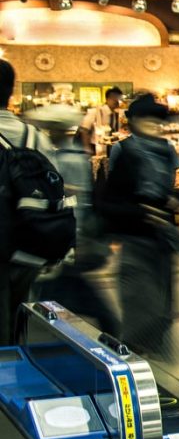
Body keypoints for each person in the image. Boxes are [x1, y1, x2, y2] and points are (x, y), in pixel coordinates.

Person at [97, 95, 179, 359]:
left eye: (159, 121)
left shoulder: (166, 149)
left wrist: (174, 200)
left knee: (162, 304)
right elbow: (111, 198)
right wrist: (141, 212)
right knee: (139, 303)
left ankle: (151, 354)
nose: (156, 126)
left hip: (162, 239)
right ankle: (132, 358)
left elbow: (172, 185)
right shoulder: (126, 151)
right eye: (149, 120)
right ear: (134, 122)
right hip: (136, 238)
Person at [25, 103, 119, 339]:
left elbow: (77, 201)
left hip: (68, 237)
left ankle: (111, 330)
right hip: (67, 236)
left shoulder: (67, 158)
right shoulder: (68, 154)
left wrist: (74, 237)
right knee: (65, 289)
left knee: (71, 290)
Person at [0, 61, 66, 328]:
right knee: (20, 318)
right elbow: (55, 188)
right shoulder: (35, 136)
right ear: (11, 92)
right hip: (28, 245)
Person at [80, 86, 126, 167]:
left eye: (119, 99)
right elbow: (84, 129)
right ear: (107, 99)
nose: (117, 101)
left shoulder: (119, 114)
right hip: (97, 148)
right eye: (114, 98)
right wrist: (86, 147)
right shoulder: (95, 112)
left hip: (114, 148)